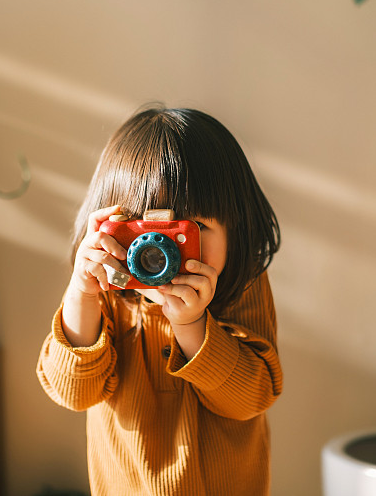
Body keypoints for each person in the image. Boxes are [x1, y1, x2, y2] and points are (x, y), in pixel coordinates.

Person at [37, 106, 283, 496]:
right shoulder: (109, 292)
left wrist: (192, 326)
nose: (161, 250)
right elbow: (73, 392)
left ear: (237, 228)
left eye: (193, 228)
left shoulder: (241, 282)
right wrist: (82, 292)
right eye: (144, 230)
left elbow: (253, 398)